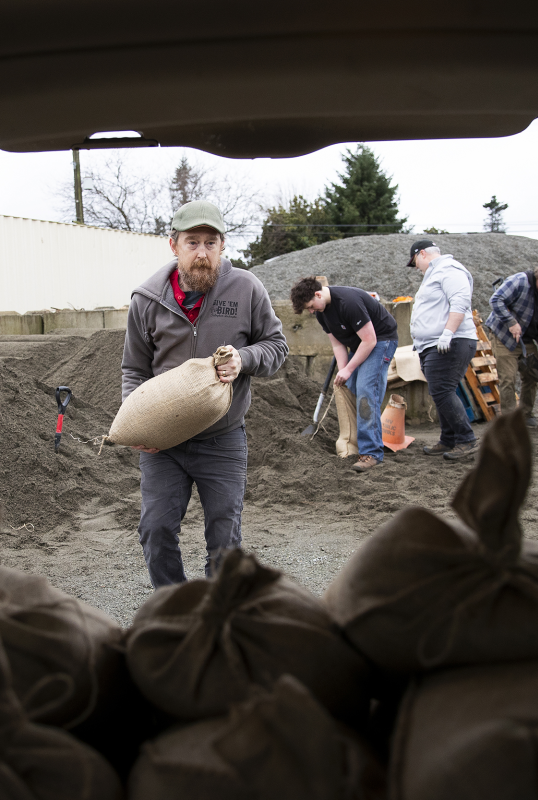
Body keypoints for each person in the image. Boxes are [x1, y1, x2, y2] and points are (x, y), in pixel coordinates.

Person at [121, 200, 288, 587]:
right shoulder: (147, 299)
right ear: (173, 245)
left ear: (222, 245)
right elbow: (134, 369)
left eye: (210, 243)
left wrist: (244, 360)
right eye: (192, 242)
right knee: (156, 530)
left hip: (223, 439)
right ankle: (174, 604)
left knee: (224, 540)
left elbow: (277, 347)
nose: (201, 253)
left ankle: (217, 612)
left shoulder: (246, 288)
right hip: (164, 443)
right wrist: (138, 424)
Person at [290, 278, 399, 472]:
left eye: (310, 306)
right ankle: (364, 441)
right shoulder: (322, 312)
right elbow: (338, 344)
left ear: (318, 294)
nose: (311, 311)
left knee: (366, 391)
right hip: (360, 345)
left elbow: (370, 340)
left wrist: (349, 369)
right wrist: (343, 371)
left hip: (380, 341)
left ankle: (371, 453)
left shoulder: (348, 302)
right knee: (351, 387)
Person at [406, 239, 480, 460]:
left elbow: (460, 300)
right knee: (441, 392)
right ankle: (448, 439)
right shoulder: (436, 274)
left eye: (414, 262)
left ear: (422, 254)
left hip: (451, 341)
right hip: (434, 343)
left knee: (442, 391)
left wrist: (448, 332)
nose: (416, 267)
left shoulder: (449, 269)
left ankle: (466, 440)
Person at [486, 262, 538, 424]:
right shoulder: (519, 281)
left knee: (532, 376)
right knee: (508, 378)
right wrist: (511, 322)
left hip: (526, 339)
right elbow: (496, 300)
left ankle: (526, 414)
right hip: (503, 336)